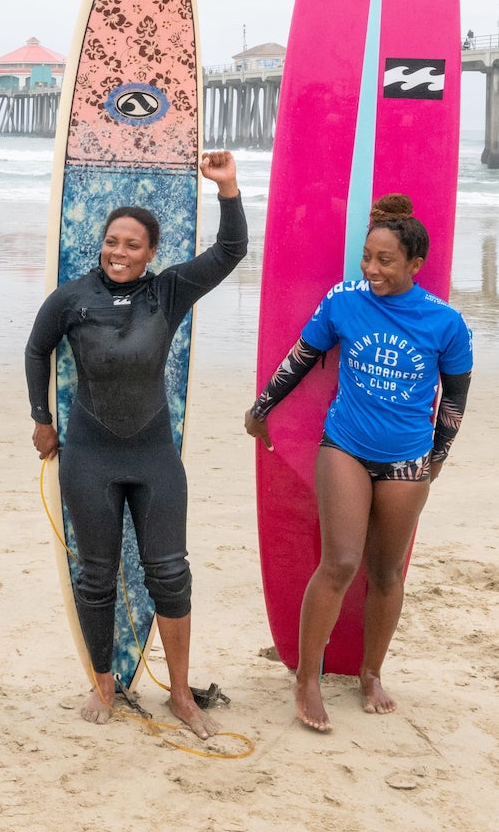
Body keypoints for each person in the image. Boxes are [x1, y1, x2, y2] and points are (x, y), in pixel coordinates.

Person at [25, 152, 245, 739]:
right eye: (111, 242)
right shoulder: (70, 298)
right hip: (89, 456)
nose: (118, 253)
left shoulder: (168, 293)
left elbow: (230, 253)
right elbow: (35, 350)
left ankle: (179, 693)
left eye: (132, 245)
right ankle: (103, 685)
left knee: (170, 574)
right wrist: (41, 419)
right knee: (95, 575)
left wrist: (227, 189)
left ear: (151, 252)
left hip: (153, 458)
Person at [245, 194, 472, 732]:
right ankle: (306, 677)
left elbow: (456, 399)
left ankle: (371, 673)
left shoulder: (446, 322)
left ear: (415, 266)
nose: (371, 269)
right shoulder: (344, 300)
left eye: (385, 261)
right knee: (342, 561)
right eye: (367, 257)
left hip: (407, 462)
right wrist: (262, 407)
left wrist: (435, 459)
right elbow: (303, 356)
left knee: (387, 571)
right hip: (344, 446)